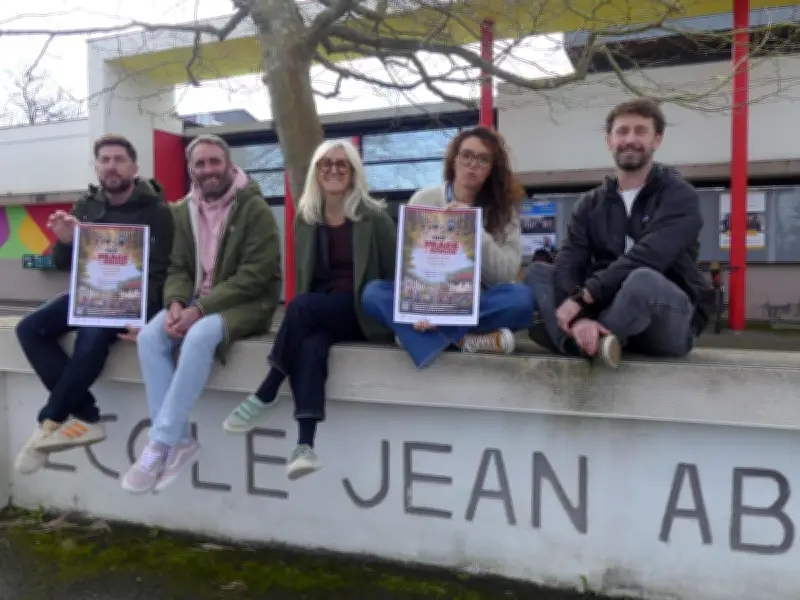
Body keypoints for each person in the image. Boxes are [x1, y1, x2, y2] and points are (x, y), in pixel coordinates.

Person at [221, 139, 396, 481]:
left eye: (341, 164)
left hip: (365, 313)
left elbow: (392, 278)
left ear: (353, 173)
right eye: (325, 164)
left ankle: (268, 388)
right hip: (321, 312)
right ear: (316, 172)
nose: (333, 169)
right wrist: (299, 332)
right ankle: (305, 445)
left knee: (300, 306)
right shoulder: (306, 219)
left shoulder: (375, 219)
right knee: (311, 346)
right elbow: (306, 277)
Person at [122, 134, 282, 494]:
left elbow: (255, 275)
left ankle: (160, 442)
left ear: (228, 164)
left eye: (214, 162)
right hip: (195, 302)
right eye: (200, 164)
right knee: (149, 336)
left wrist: (200, 309)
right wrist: (177, 302)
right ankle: (180, 441)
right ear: (190, 169)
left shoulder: (253, 208)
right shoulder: (183, 211)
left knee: (200, 334)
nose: (208, 170)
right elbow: (178, 266)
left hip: (247, 303)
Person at [14, 134, 174, 475]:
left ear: (134, 167)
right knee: (29, 327)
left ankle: (49, 422)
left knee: (91, 335)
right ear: (97, 167)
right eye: (104, 160)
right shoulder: (85, 207)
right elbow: (63, 263)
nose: (111, 166)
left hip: (132, 300)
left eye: (119, 159)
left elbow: (164, 271)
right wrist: (64, 241)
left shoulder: (158, 212)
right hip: (90, 294)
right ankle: (86, 414)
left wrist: (147, 316)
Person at [525, 98, 710, 368]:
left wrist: (585, 296)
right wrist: (581, 316)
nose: (630, 139)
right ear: (609, 140)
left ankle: (578, 343)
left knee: (643, 279)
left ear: (656, 140)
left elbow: (650, 256)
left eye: (640, 131)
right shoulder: (590, 205)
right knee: (540, 272)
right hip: (606, 310)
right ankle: (591, 340)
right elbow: (569, 261)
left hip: (664, 319)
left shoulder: (679, 196)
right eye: (622, 131)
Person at [361, 126, 534, 369]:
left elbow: (505, 276)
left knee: (522, 299)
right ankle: (466, 339)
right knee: (373, 294)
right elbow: (408, 266)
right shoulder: (423, 200)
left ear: (491, 169)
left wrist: (474, 231)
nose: (472, 164)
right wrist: (426, 307)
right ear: (454, 159)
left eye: (483, 159)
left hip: (475, 303)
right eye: (466, 155)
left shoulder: (505, 211)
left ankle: (422, 338)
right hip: (426, 298)